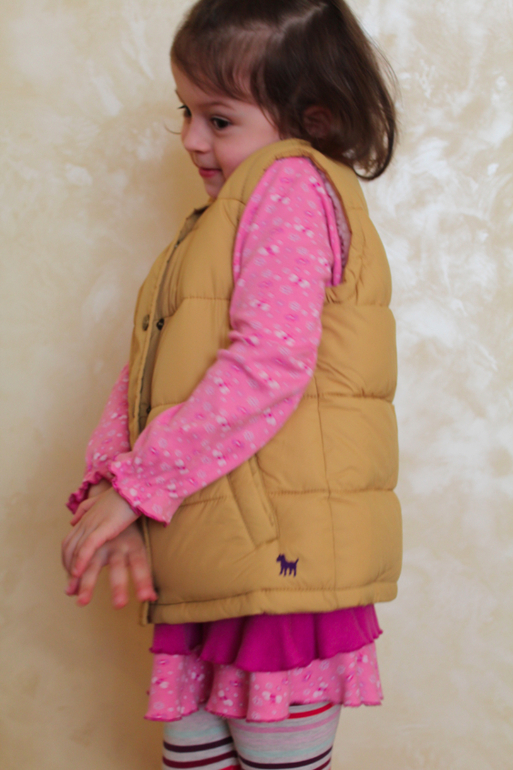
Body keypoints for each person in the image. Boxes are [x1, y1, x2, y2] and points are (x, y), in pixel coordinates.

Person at [62, 0, 402, 767]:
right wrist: (113, 488)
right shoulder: (212, 225)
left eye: (217, 119)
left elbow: (268, 367)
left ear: (311, 119)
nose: (190, 138)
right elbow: (146, 373)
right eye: (185, 112)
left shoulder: (288, 185)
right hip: (221, 553)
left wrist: (138, 486)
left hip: (280, 561)